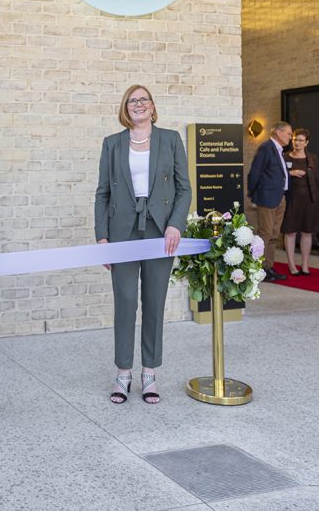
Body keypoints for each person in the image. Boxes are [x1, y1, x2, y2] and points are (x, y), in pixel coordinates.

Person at [94, 85, 190, 405]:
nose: (138, 104)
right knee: (125, 302)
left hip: (160, 231)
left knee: (154, 302)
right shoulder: (112, 144)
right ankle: (123, 374)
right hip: (122, 232)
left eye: (143, 99)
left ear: (152, 106)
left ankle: (149, 374)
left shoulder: (171, 139)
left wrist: (176, 223)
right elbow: (103, 193)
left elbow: (183, 189)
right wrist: (102, 236)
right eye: (132, 101)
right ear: (125, 108)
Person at [247, 121, 293, 282]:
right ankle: (257, 268)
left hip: (280, 197)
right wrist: (252, 195)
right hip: (267, 198)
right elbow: (255, 173)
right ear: (278, 132)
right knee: (265, 233)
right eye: (288, 133)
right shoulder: (266, 148)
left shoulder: (279, 150)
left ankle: (268, 266)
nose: (290, 136)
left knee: (274, 234)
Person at [281, 128, 319, 276]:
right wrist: (291, 173)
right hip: (291, 199)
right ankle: (291, 264)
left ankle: (305, 264)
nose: (297, 143)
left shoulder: (312, 158)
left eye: (301, 140)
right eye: (295, 139)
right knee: (290, 232)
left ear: (306, 142)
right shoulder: (285, 157)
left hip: (311, 200)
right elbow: (277, 175)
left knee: (307, 232)